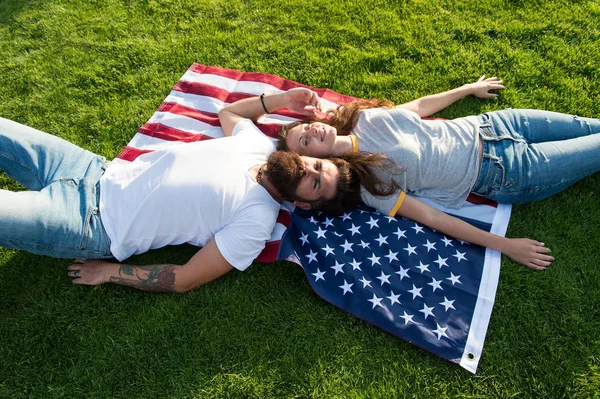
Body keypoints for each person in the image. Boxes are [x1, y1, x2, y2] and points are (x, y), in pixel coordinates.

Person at [0, 116, 387, 293]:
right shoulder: (257, 144)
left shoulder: (256, 222)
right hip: (91, 168)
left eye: (314, 183)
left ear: (303, 204)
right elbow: (231, 113)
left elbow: (183, 279)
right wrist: (277, 100)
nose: (307, 169)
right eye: (316, 165)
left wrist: (109, 274)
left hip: (89, 224)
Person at [218, 85, 561, 270]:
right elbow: (433, 217)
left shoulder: (365, 119)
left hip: (492, 125)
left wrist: (467, 89)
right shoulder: (371, 185)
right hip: (506, 171)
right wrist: (505, 246)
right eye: (305, 143)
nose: (311, 137)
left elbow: (419, 107)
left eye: (306, 132)